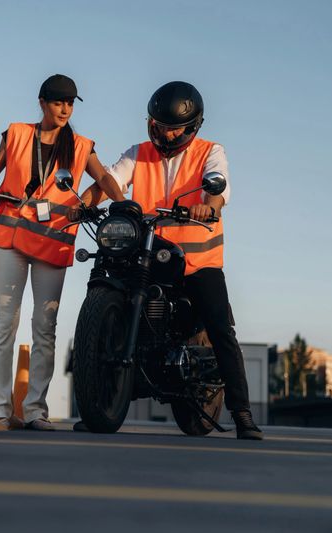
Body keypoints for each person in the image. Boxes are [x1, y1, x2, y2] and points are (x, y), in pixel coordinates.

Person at [73, 80, 263, 440]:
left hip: (195, 262)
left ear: (191, 128)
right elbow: (109, 180)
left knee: (221, 329)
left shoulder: (210, 150)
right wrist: (84, 204)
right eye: (159, 124)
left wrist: (209, 205)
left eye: (172, 127)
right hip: (147, 252)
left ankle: (242, 414)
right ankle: (98, 403)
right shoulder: (138, 151)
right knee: (108, 280)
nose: (164, 131)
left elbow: (217, 183)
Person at [0, 74, 115, 430]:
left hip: (52, 240)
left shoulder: (83, 145)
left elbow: (102, 179)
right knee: (5, 321)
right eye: (58, 102)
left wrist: (123, 202)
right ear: (42, 102)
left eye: (70, 103)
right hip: (11, 237)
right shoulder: (17, 134)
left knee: (45, 326)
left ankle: (36, 410)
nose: (65, 109)